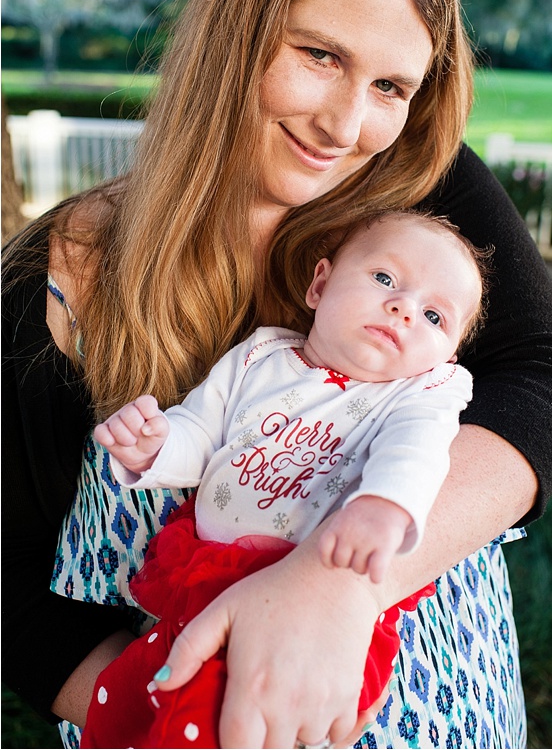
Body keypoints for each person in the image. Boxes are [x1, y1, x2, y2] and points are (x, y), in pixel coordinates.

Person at [2, 0, 552, 750]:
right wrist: (170, 706)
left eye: (392, 88)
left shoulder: (414, 199)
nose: (346, 125)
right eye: (319, 56)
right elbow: (13, 587)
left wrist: (340, 581)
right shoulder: (57, 280)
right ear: (235, 33)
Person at [80, 210, 484, 748]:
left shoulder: (420, 393)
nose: (403, 309)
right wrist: (154, 445)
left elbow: (418, 450)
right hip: (208, 578)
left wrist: (383, 506)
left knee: (221, 719)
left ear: (447, 354)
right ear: (320, 284)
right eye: (385, 279)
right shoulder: (259, 357)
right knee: (135, 696)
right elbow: (201, 433)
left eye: (435, 316)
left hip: (312, 604)